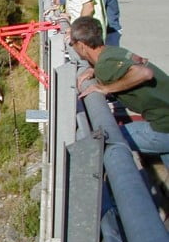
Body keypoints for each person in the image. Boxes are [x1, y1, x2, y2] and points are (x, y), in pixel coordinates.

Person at [71, 16, 169, 166]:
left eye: (72, 44)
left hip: (163, 127)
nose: (73, 47)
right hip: (164, 122)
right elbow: (119, 67)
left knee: (109, 139)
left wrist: (105, 88)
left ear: (82, 45)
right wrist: (94, 70)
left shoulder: (105, 66)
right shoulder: (112, 52)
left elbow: (144, 73)